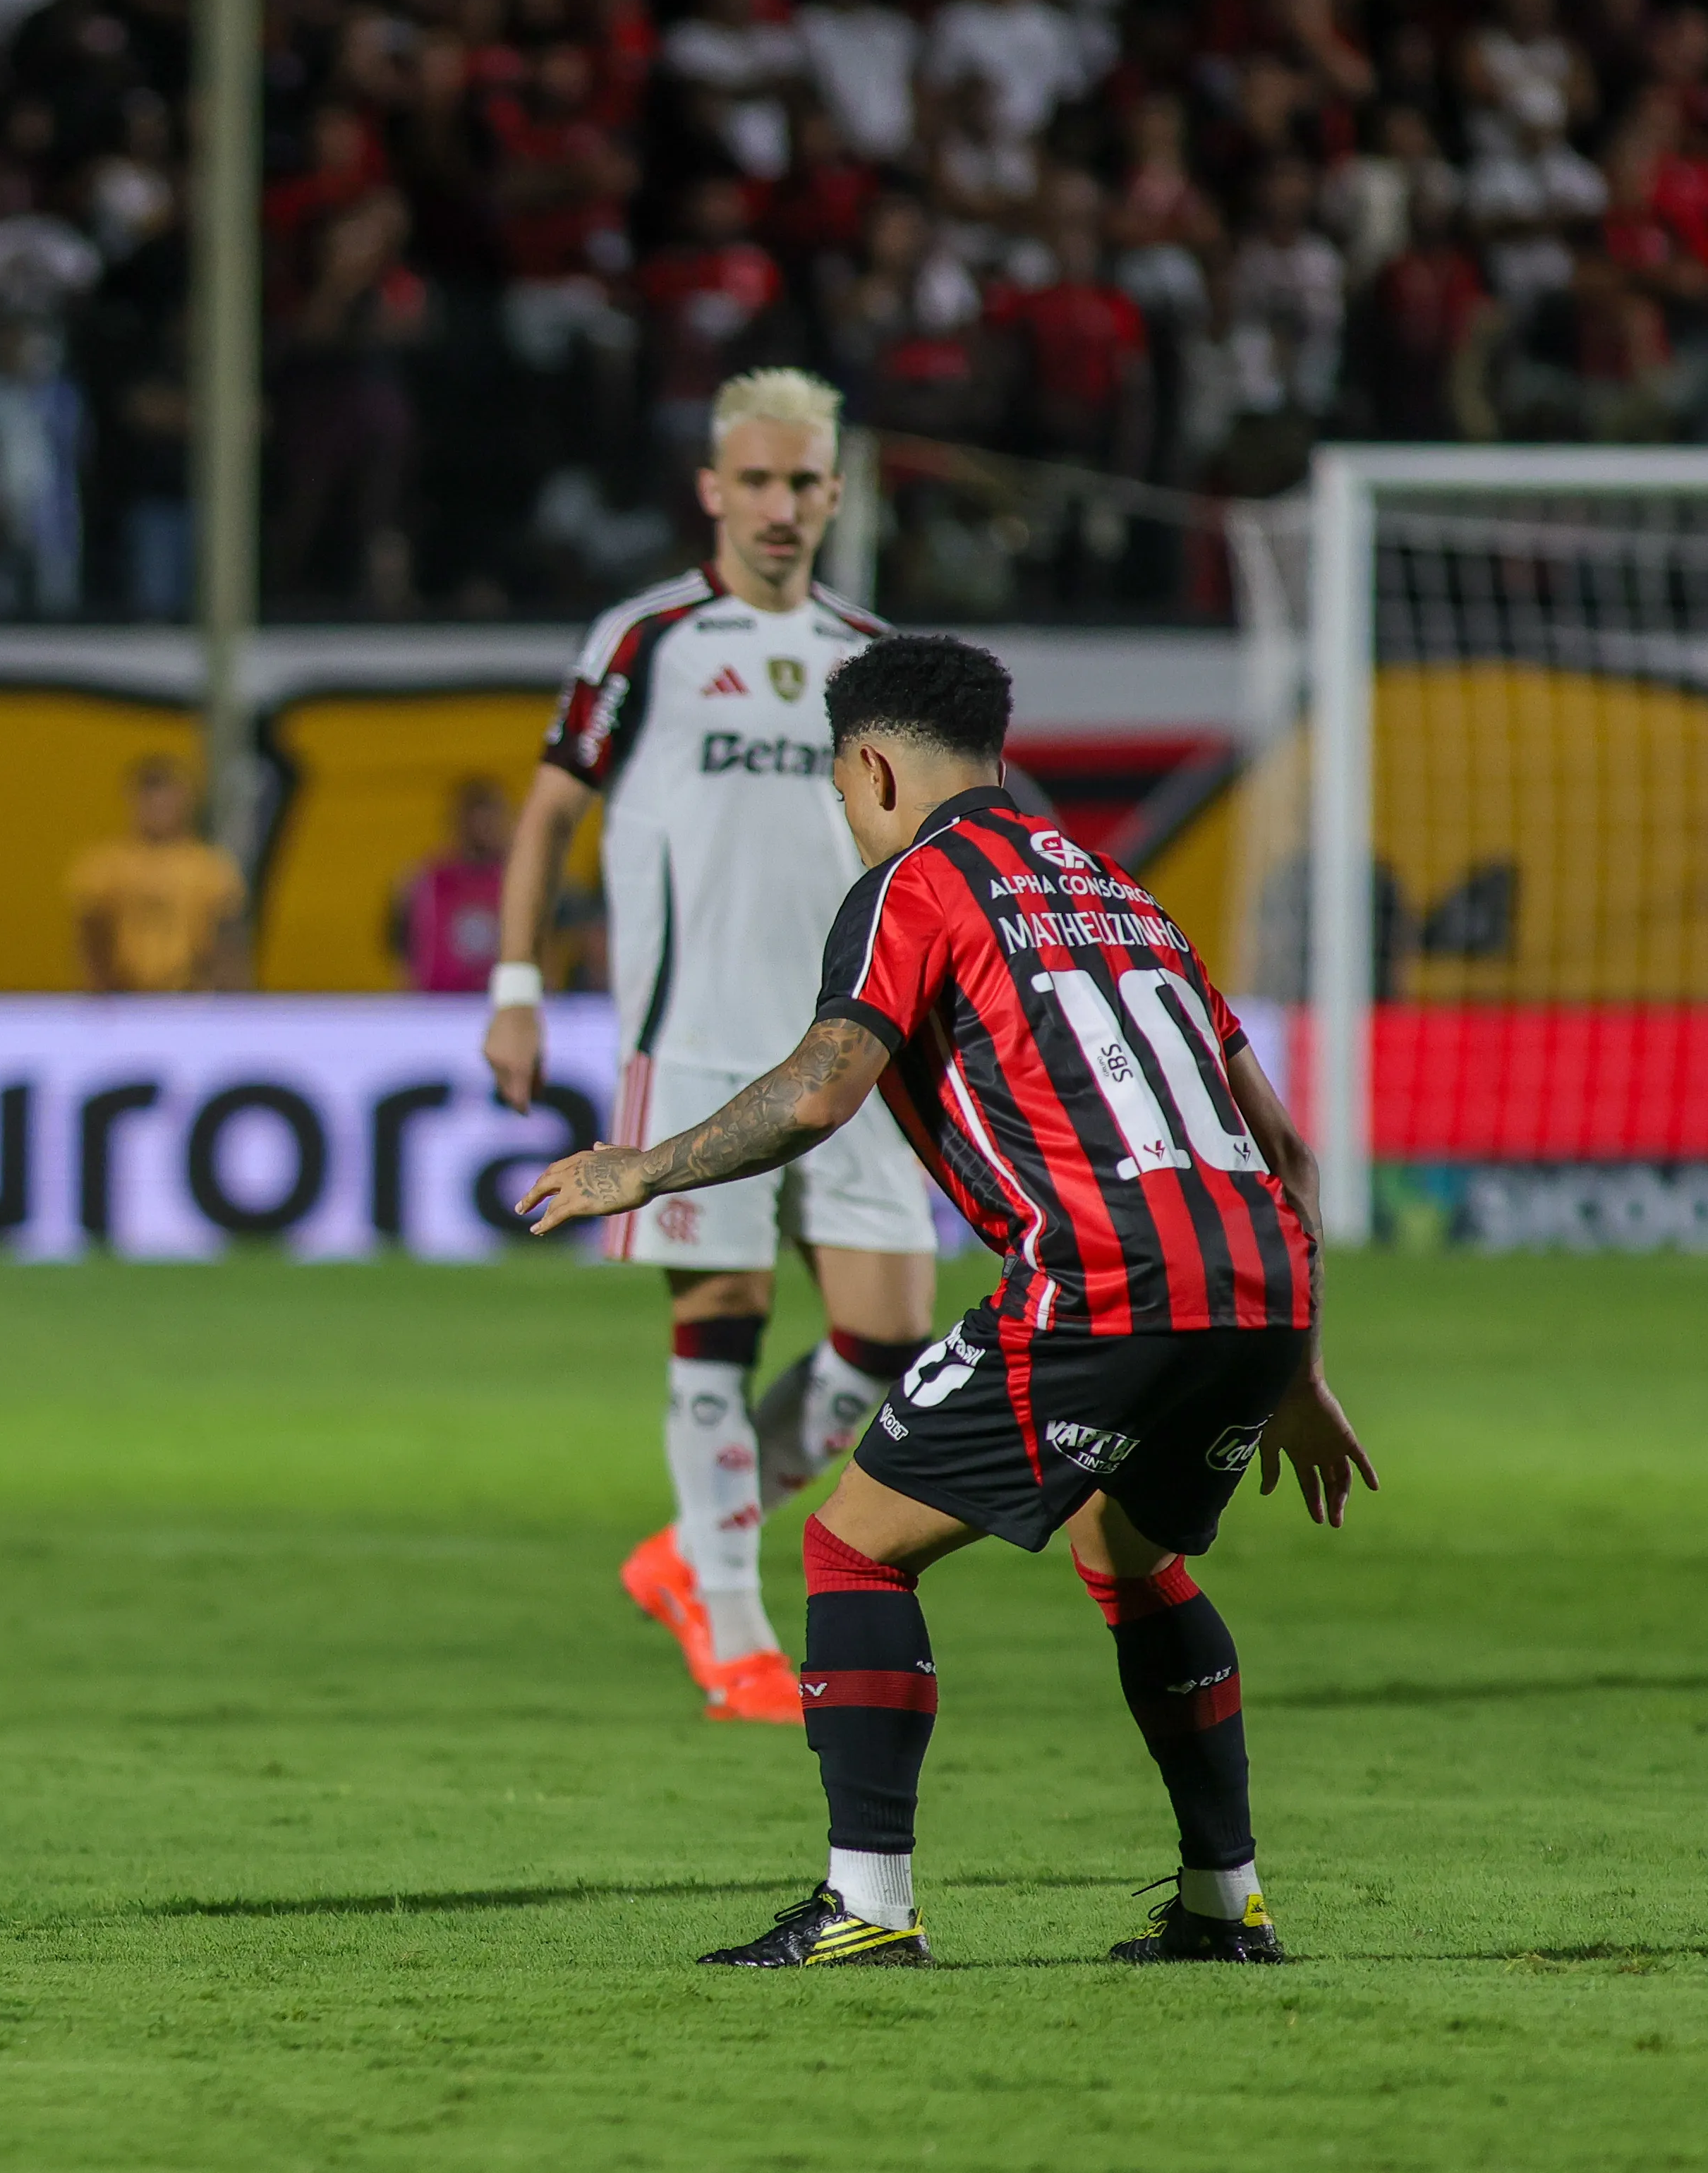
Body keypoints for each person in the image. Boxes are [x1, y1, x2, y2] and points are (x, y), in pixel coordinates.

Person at [521, 632, 1375, 1968]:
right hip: (1257, 1280)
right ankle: (1223, 1902)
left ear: (867, 766)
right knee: (1130, 1551)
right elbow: (1291, 1151)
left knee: (851, 1545)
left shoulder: (910, 884)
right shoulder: (1116, 891)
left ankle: (864, 1905)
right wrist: (1299, 1373)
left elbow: (817, 1090)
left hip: (1106, 1274)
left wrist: (643, 1165)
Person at [485, 367, 937, 1725]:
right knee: (718, 1325)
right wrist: (515, 980)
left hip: (846, 1041)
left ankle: (689, 1547)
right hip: (689, 1039)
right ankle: (732, 1621)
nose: (779, 506)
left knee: (887, 1330)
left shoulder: (870, 652)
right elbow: (545, 811)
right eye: (755, 480)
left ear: (836, 492)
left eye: (803, 482)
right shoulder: (645, 636)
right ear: (709, 489)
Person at [67, 756, 248, 993]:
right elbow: (90, 932)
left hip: (190, 998)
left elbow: (227, 940)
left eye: (167, 799)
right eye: (150, 799)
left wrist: (226, 997)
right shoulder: (106, 866)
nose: (158, 809)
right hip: (124, 998)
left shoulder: (210, 868)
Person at [396, 777, 510, 993]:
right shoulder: (428, 880)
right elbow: (403, 949)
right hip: (439, 1007)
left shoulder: (516, 880)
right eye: (481, 821)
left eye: (494, 819)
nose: (489, 829)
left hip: (497, 1002)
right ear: (461, 823)